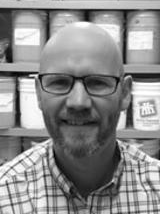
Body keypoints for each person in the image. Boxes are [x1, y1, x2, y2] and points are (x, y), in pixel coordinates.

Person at [0, 21, 160, 214]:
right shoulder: (5, 196)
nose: (78, 102)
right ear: (38, 94)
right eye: (59, 82)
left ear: (125, 94)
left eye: (97, 83)